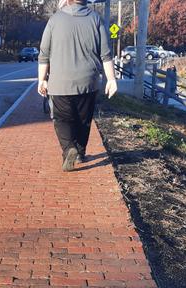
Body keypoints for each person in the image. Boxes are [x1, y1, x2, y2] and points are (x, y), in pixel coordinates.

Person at [38, 0, 118, 172]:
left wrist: (42, 79)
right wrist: (111, 79)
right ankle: (80, 153)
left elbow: (44, 55)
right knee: (84, 120)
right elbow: (106, 54)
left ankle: (69, 149)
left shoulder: (54, 20)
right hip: (88, 82)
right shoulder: (95, 19)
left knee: (62, 120)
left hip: (59, 83)